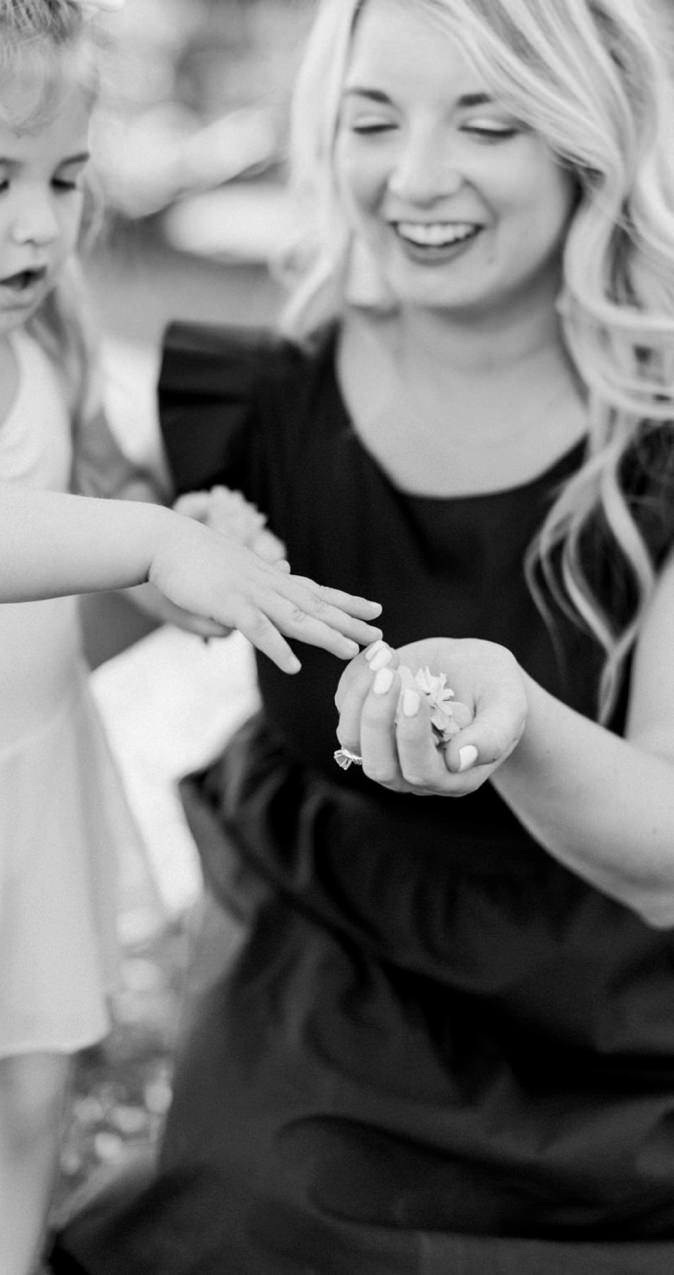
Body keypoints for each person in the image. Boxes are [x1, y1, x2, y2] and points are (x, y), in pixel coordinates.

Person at [50, 0, 674, 1272]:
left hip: (617, 1000)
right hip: (331, 962)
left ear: (584, 143)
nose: (418, 175)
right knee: (259, 1214)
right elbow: (58, 632)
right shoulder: (254, 401)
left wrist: (518, 724)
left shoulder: (654, 451)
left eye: (487, 122)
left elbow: (663, 858)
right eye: (373, 120)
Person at [0, 2, 384, 1272]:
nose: (43, 222)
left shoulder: (34, 346)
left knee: (29, 1110)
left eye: (69, 178)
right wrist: (142, 540)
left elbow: (52, 625)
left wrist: (184, 564)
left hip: (29, 793)